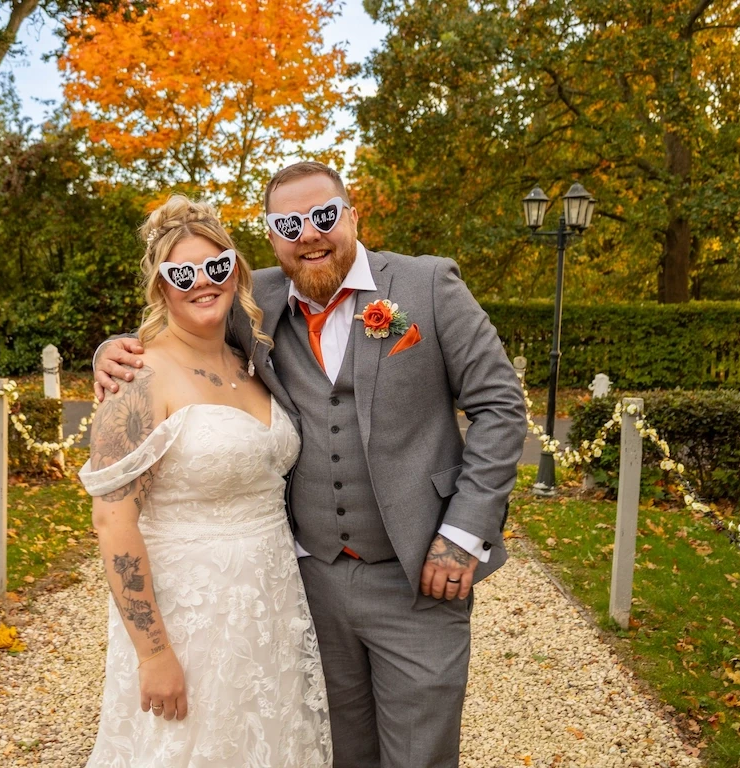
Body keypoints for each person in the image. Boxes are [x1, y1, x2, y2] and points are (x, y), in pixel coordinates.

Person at [95, 162, 528, 768]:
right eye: (288, 224)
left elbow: (501, 407)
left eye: (324, 215)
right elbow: (184, 320)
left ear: (352, 215)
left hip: (417, 577)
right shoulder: (256, 300)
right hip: (307, 585)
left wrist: (462, 537)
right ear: (270, 238)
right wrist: (111, 352)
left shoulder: (428, 287)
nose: (309, 234)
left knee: (419, 757)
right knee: (328, 750)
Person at [77, 195, 332, 768]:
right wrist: (154, 653)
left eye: (216, 267)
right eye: (182, 273)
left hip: (273, 609)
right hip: (189, 619)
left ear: (236, 270)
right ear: (160, 286)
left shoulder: (252, 360)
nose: (202, 282)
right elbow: (112, 521)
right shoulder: (138, 380)